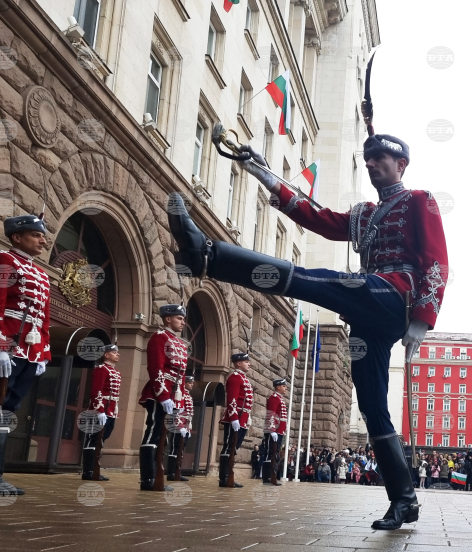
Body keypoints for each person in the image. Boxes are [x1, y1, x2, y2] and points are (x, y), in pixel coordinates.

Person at [169, 127, 448, 529]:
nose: (371, 164)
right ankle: (404, 501)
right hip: (367, 312)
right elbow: (319, 219)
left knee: (321, 281)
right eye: (368, 159)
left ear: (401, 164)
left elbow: (437, 261)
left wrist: (423, 318)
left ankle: (209, 256)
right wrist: (265, 175)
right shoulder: (366, 214)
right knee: (372, 406)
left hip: (394, 296)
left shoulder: (420, 200)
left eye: (380, 159)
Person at [0, 215, 52, 496]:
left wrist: (43, 353)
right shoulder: (1, 260)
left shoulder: (41, 274)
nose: (43, 241)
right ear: (17, 237)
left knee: (8, 410)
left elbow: (43, 318)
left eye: (43, 236)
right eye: (36, 235)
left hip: (29, 350)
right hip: (6, 346)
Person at [138, 305, 188, 491]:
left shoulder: (179, 343)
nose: (183, 322)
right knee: (154, 432)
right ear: (168, 319)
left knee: (163, 436)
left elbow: (181, 376)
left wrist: (180, 401)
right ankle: (148, 478)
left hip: (174, 395)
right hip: (160, 394)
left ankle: (156, 476)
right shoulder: (160, 337)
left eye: (183, 319)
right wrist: (163, 395)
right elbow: (155, 367)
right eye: (179, 318)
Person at [83, 344, 122, 481]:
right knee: (93, 439)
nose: (117, 354)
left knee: (102, 438)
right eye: (114, 352)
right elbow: (96, 390)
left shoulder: (115, 372)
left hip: (111, 409)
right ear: (106, 355)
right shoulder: (101, 369)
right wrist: (99, 410)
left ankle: (95, 470)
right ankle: (88, 471)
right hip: (100, 408)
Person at [219, 352, 254, 488]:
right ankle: (224, 477)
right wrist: (234, 418)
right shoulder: (234, 378)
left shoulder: (243, 378)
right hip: (235, 417)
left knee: (234, 448)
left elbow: (246, 401)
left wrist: (247, 416)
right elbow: (232, 400)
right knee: (229, 447)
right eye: (246, 362)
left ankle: (229, 476)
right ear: (238, 363)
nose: (249, 364)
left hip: (242, 418)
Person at [167, 375, 194, 482]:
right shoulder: (181, 394)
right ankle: (171, 472)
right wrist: (180, 426)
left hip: (186, 425)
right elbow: (176, 412)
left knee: (181, 449)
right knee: (175, 448)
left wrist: (188, 428)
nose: (191, 385)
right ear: (184, 383)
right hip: (179, 425)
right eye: (189, 383)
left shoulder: (188, 395)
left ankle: (177, 471)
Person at [261, 378, 287, 485]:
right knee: (270, 453)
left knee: (275, 454)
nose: (285, 388)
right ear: (278, 387)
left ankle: (272, 476)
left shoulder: (280, 398)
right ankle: (267, 477)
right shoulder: (274, 398)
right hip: (274, 430)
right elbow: (271, 414)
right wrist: (272, 430)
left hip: (279, 431)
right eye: (284, 386)